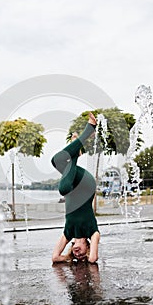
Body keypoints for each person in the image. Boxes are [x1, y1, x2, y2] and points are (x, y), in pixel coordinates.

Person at [51, 112, 100, 264]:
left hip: (72, 185)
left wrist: (68, 259)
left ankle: (75, 155)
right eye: (82, 255)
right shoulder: (92, 232)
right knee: (63, 188)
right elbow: (93, 259)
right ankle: (90, 129)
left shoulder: (68, 233)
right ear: (87, 246)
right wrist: (88, 257)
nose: (78, 254)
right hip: (86, 185)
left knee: (58, 161)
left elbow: (55, 258)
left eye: (76, 256)